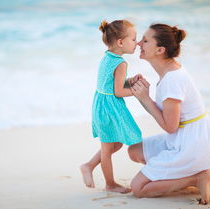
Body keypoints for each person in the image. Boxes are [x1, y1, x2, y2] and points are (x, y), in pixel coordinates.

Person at [128, 23, 210, 204]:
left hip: (194, 143)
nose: (139, 43)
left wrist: (146, 99)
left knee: (138, 188)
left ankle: (196, 178)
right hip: (186, 135)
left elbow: (170, 127)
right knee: (134, 151)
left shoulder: (172, 79)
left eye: (145, 40)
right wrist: (140, 94)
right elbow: (170, 121)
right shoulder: (169, 72)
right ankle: (171, 174)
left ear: (160, 50)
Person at [80, 20, 143, 193]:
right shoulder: (121, 63)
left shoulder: (108, 56)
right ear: (120, 42)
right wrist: (138, 91)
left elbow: (113, 84)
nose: (137, 43)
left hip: (101, 105)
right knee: (108, 149)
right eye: (133, 39)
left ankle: (89, 165)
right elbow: (118, 92)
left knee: (115, 144)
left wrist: (130, 82)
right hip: (109, 109)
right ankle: (110, 184)